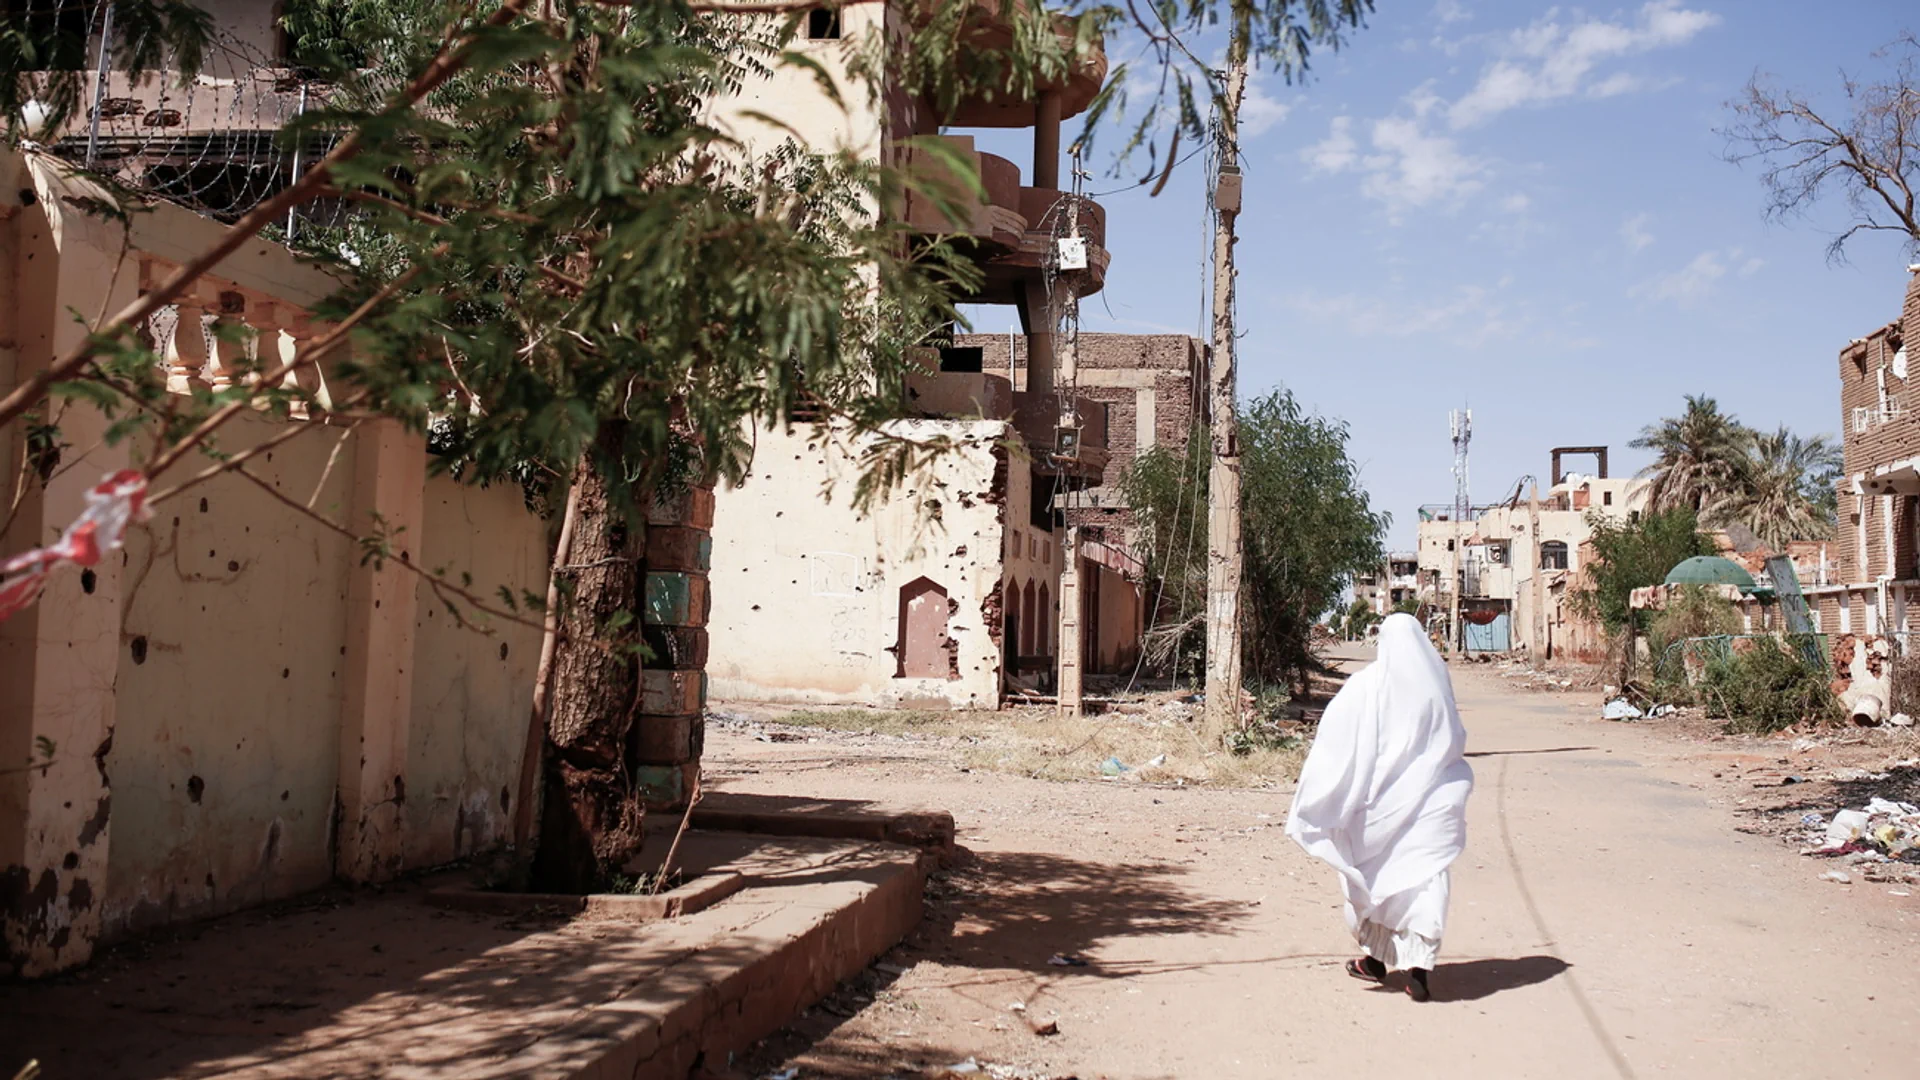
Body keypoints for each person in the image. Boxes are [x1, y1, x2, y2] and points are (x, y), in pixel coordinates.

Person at [1285, 612, 1474, 1002]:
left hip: (1378, 809)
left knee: (1376, 881)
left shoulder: (1367, 687)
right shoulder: (1437, 690)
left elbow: (1336, 738)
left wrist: (1324, 791)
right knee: (1424, 880)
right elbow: (1455, 739)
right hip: (1432, 805)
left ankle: (1376, 959)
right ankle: (1418, 969)